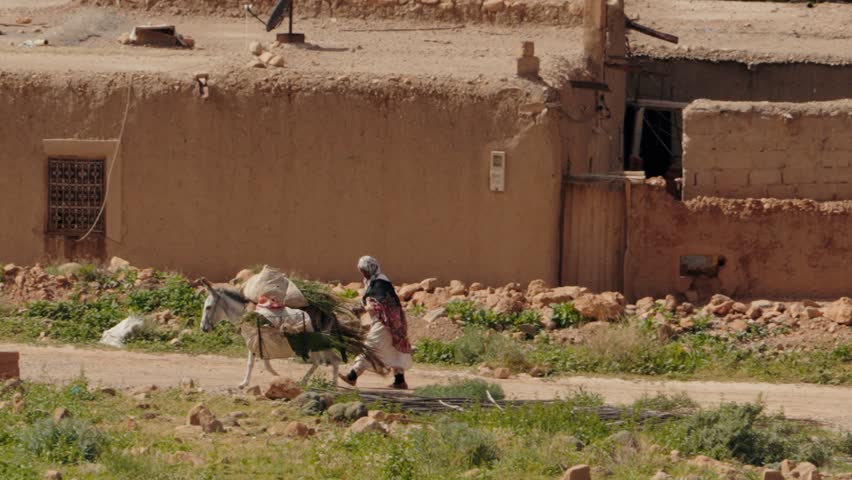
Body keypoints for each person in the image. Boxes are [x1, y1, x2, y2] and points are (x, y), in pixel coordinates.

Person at [339, 256, 412, 389]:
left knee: (370, 347)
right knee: (393, 349)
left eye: (365, 270)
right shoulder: (372, 282)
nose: (363, 273)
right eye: (362, 271)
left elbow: (380, 305)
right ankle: (400, 380)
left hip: (385, 323)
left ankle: (352, 376)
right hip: (391, 323)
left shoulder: (380, 283)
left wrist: (364, 308)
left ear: (371, 268)